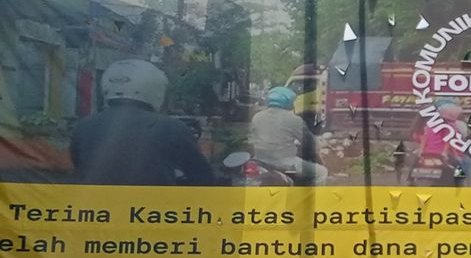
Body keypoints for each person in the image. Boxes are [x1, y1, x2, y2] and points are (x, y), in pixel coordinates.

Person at [70, 58, 215, 186]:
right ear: (154, 87)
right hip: (152, 213)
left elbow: (79, 166)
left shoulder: (84, 126)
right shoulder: (172, 128)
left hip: (95, 213)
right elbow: (203, 177)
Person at [249, 86, 328, 185]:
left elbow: (254, 137)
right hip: (285, 163)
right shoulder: (293, 119)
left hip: (260, 161)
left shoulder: (257, 117)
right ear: (287, 101)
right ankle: (313, 199)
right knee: (322, 172)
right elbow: (309, 141)